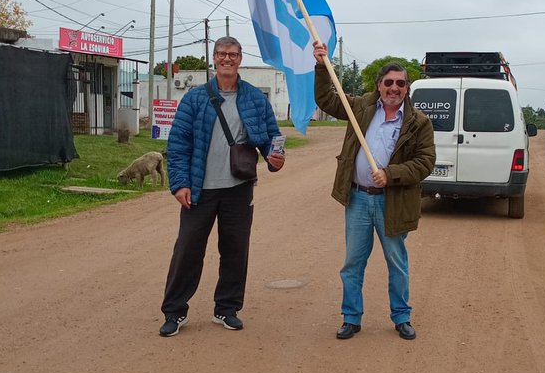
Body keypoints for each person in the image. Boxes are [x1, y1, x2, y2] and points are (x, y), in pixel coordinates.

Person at [159, 37, 284, 336]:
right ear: (214, 59)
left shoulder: (255, 98)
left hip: (239, 188)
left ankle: (226, 309)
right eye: (222, 54)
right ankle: (174, 312)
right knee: (187, 250)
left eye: (233, 54)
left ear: (240, 59)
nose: (227, 59)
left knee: (235, 250)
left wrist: (274, 158)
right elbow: (178, 145)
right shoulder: (195, 99)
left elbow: (271, 137)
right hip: (199, 189)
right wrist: (179, 184)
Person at [313, 41, 435, 341]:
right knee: (353, 262)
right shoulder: (361, 107)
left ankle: (401, 316)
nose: (394, 88)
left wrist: (391, 175)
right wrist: (320, 65)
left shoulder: (419, 122)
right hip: (357, 198)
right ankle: (351, 318)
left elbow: (426, 162)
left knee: (397, 262)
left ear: (407, 87)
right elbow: (327, 99)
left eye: (401, 83)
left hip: (392, 202)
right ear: (379, 85)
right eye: (389, 82)